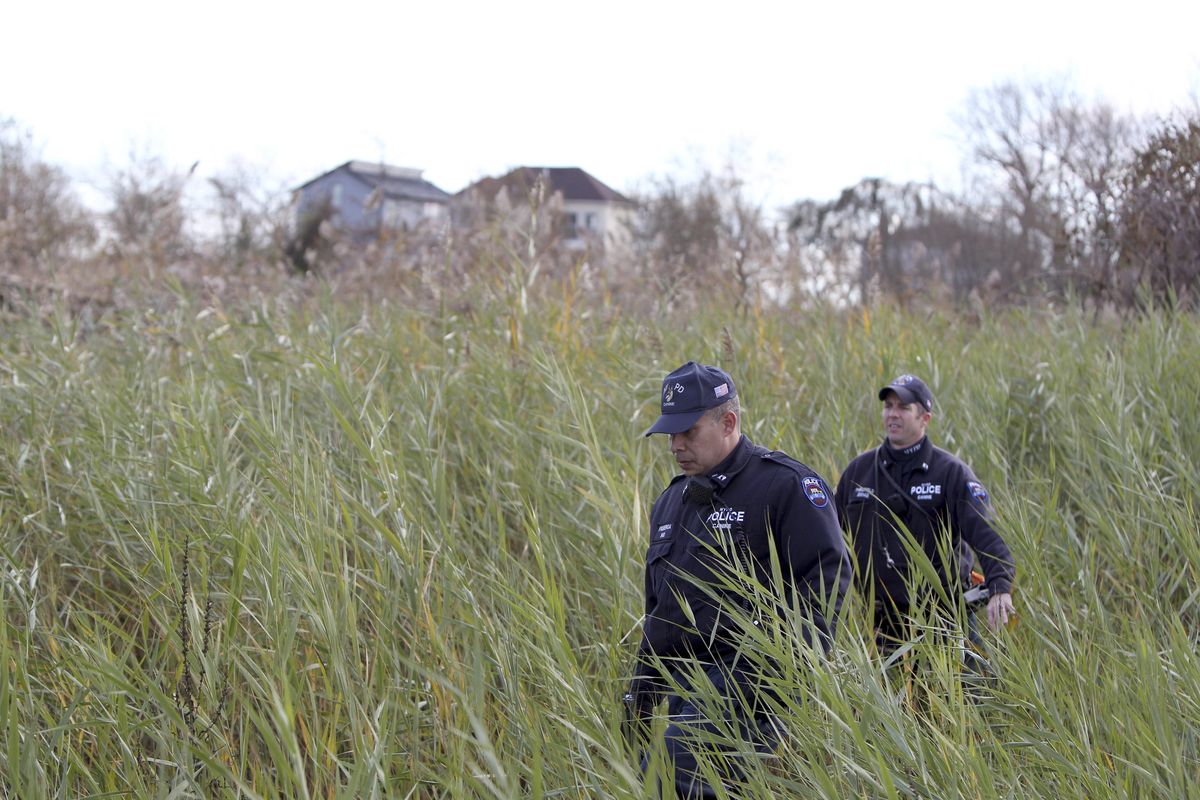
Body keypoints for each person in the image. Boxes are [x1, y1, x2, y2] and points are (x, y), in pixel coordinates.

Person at [627, 361, 851, 798]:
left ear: (728, 422)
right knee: (648, 778)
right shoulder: (672, 503)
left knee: (675, 766)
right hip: (684, 691)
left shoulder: (784, 486)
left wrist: (776, 676)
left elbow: (825, 585)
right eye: (669, 434)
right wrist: (642, 687)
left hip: (755, 689)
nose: (675, 445)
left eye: (687, 432)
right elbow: (660, 612)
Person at [834, 374, 1016, 658]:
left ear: (925, 418)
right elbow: (828, 537)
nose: (893, 414)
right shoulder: (859, 472)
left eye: (903, 408)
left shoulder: (950, 473)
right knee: (889, 700)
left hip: (945, 616)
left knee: (968, 698)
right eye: (888, 406)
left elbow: (988, 535)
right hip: (882, 621)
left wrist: (1000, 587)